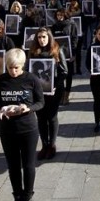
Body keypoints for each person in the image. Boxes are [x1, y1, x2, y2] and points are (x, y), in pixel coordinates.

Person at [0, 48, 45, 201]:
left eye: (16, 68)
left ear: (22, 65)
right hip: (8, 129)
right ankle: (17, 194)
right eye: (10, 67)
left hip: (28, 128)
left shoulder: (32, 79)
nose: (13, 71)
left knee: (28, 165)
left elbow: (40, 102)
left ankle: (28, 194)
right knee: (13, 165)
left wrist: (28, 108)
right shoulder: (1, 80)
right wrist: (0, 109)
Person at [29, 27, 67, 160]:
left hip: (54, 90)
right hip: (39, 91)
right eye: (39, 37)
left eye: (44, 37)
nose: (41, 40)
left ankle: (52, 145)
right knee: (41, 118)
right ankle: (44, 145)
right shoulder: (33, 52)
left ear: (49, 37)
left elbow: (64, 72)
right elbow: (29, 71)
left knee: (51, 117)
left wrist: (55, 86)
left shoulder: (57, 50)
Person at [51, 9, 78, 105]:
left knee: (69, 75)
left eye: (61, 14)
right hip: (58, 54)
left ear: (65, 15)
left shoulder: (71, 24)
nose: (60, 16)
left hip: (68, 53)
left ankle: (67, 95)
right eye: (58, 15)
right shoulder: (54, 26)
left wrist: (74, 54)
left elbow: (75, 39)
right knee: (60, 75)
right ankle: (61, 95)